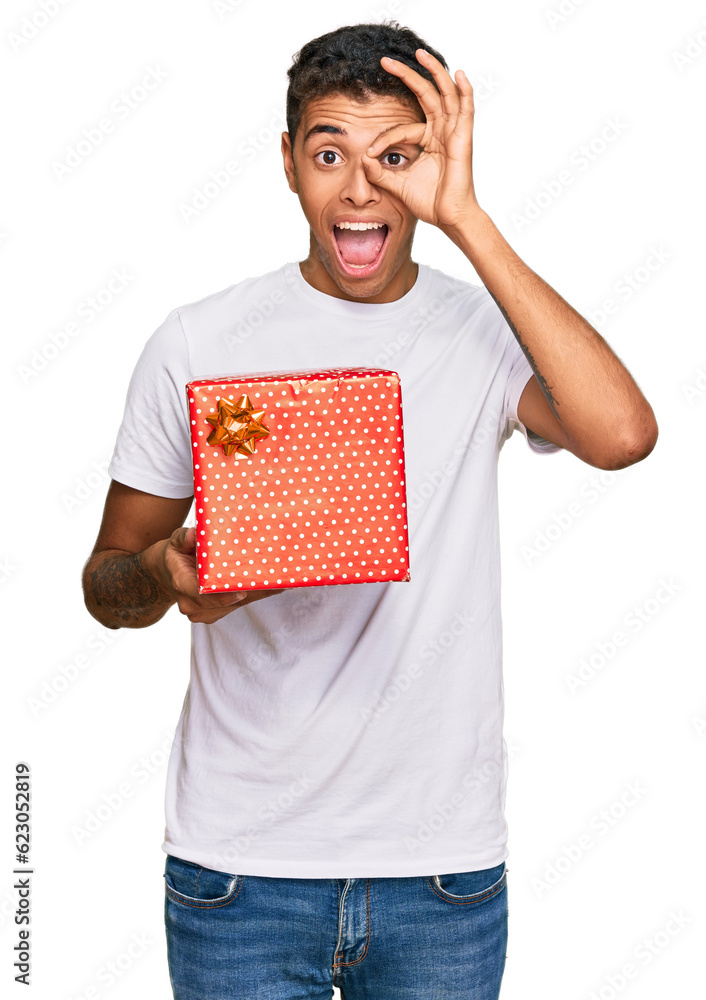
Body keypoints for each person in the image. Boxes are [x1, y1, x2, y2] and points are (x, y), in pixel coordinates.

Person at [82, 21, 657, 1000]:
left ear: (434, 163)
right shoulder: (198, 340)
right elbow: (107, 583)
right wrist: (168, 579)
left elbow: (622, 435)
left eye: (396, 157)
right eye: (329, 154)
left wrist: (467, 217)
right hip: (240, 869)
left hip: (440, 870)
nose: (359, 188)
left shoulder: (485, 331)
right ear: (288, 164)